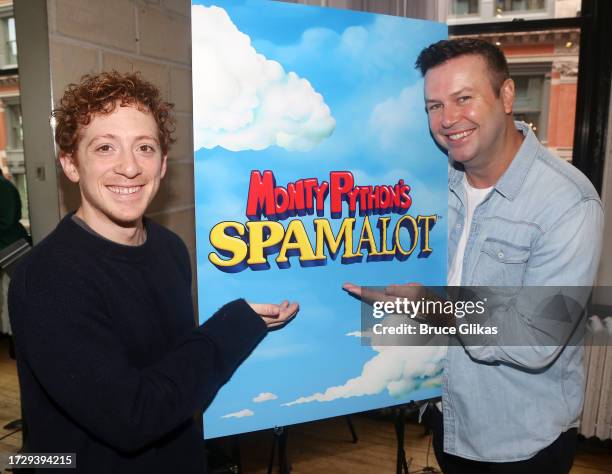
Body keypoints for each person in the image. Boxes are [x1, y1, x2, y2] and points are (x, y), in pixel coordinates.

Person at [8, 71, 298, 473]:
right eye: (105, 147)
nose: (129, 167)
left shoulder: (169, 249)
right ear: (71, 164)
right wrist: (234, 327)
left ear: (162, 165)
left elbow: (178, 371)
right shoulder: (48, 279)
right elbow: (134, 417)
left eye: (144, 147)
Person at [345, 38, 603, 473]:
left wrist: (428, 306)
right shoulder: (430, 184)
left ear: (505, 96)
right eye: (434, 106)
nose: (448, 120)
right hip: (447, 420)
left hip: (522, 442)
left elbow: (536, 337)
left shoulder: (568, 203)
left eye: (464, 98)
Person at [0, 168, 29, 336]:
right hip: (10, 246)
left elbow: (7, 220)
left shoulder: (3, 187)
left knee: (12, 292)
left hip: (10, 247)